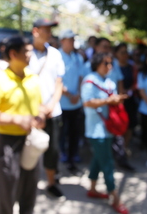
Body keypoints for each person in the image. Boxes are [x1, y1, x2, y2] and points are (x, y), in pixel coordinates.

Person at [0, 36, 46, 214]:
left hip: (32, 140)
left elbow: (39, 105)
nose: (30, 54)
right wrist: (16, 120)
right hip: (9, 143)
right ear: (13, 53)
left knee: (30, 187)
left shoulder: (34, 79)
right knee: (8, 189)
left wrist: (41, 115)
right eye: (26, 51)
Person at [81, 52, 129, 214]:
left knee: (98, 158)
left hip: (108, 128)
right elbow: (87, 102)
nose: (109, 66)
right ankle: (114, 196)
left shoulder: (109, 81)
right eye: (106, 63)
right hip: (95, 130)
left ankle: (92, 188)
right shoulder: (89, 81)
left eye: (110, 63)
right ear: (97, 64)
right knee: (107, 162)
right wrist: (109, 101)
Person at [27, 18, 66, 198]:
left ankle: (51, 182)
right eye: (46, 29)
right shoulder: (25, 53)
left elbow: (59, 83)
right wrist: (37, 108)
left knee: (53, 150)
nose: (49, 33)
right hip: (30, 112)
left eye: (50, 30)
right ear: (35, 31)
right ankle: (28, 184)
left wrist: (50, 105)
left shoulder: (56, 54)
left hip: (53, 111)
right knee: (30, 149)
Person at [58, 29, 84, 174]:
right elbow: (57, 80)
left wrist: (78, 94)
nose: (72, 42)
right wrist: (69, 94)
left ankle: (72, 158)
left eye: (73, 39)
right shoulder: (57, 56)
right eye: (69, 39)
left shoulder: (77, 57)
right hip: (62, 103)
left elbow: (81, 77)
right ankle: (63, 154)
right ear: (62, 41)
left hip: (76, 103)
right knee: (62, 132)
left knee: (74, 132)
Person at [114, 43, 138, 151]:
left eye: (126, 52)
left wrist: (129, 90)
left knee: (130, 124)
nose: (125, 55)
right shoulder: (112, 67)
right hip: (116, 100)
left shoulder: (132, 67)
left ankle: (125, 147)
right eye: (122, 52)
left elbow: (136, 82)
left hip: (129, 99)